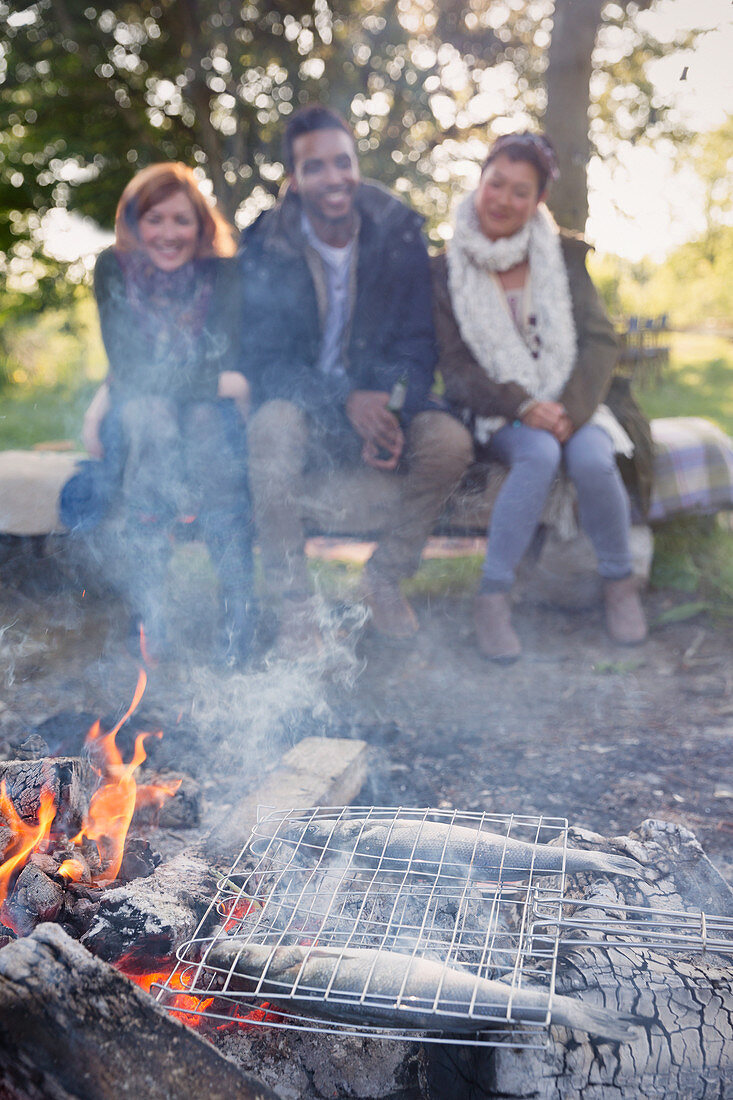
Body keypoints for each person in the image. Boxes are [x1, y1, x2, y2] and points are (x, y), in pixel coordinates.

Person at [239, 105, 473, 655]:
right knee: (268, 429)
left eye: (342, 162)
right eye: (314, 167)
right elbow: (263, 360)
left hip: (381, 398)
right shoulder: (266, 245)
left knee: (449, 443)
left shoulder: (398, 231)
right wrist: (345, 399)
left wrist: (389, 406)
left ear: (356, 163)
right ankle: (295, 606)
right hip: (306, 406)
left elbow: (419, 343)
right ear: (294, 180)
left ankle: (384, 578)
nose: (333, 178)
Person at [432, 132, 652, 661]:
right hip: (497, 410)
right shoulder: (444, 269)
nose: (504, 200)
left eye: (520, 191)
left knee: (595, 461)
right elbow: (456, 367)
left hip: (574, 404)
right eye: (497, 183)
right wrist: (523, 407)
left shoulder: (564, 256)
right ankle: (493, 598)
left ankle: (619, 586)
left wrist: (568, 412)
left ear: (538, 202)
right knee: (537, 456)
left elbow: (600, 340)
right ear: (480, 181)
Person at [73, 162, 255, 665]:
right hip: (139, 418)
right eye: (154, 219)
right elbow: (129, 366)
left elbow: (222, 356)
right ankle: (151, 609)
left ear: (201, 225)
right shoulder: (112, 267)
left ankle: (239, 606)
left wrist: (213, 382)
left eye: (182, 220)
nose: (169, 233)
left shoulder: (224, 274)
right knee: (153, 418)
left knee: (202, 428)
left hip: (205, 422)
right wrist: (218, 383)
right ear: (133, 224)